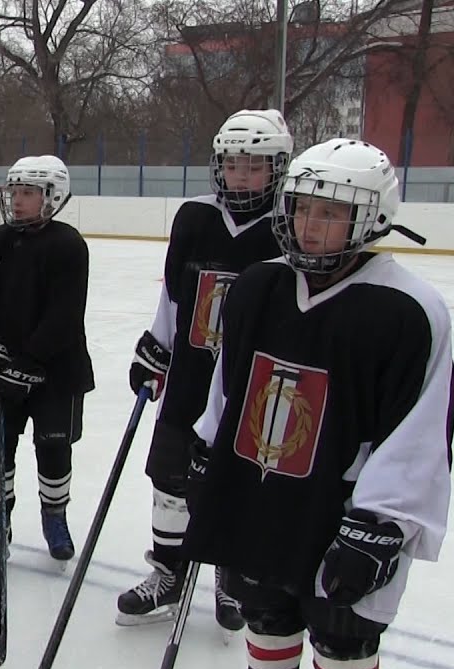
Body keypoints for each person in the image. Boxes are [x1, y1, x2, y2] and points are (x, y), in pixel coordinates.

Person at [182, 138, 451, 669]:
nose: (310, 225)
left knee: (342, 636)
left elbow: (421, 431)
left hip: (346, 510)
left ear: (371, 216)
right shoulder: (260, 286)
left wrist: (384, 524)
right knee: (266, 610)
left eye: (330, 212)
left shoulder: (409, 310)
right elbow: (230, 388)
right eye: (302, 208)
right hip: (265, 494)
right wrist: (208, 454)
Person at [120, 109, 292, 631]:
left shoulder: (287, 226)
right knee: (169, 477)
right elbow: (176, 293)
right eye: (233, 163)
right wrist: (155, 344)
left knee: (233, 482)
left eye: (255, 165)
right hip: (192, 373)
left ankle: (228, 576)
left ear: (277, 168)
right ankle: (169, 573)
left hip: (252, 384)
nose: (242, 174)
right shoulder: (194, 217)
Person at [0, 155, 93, 566]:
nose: (17, 200)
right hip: (5, 369)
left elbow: (65, 315)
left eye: (28, 193)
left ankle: (54, 517)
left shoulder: (68, 245)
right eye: (14, 191)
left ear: (53, 197)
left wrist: (30, 363)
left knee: (53, 447)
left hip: (57, 371)